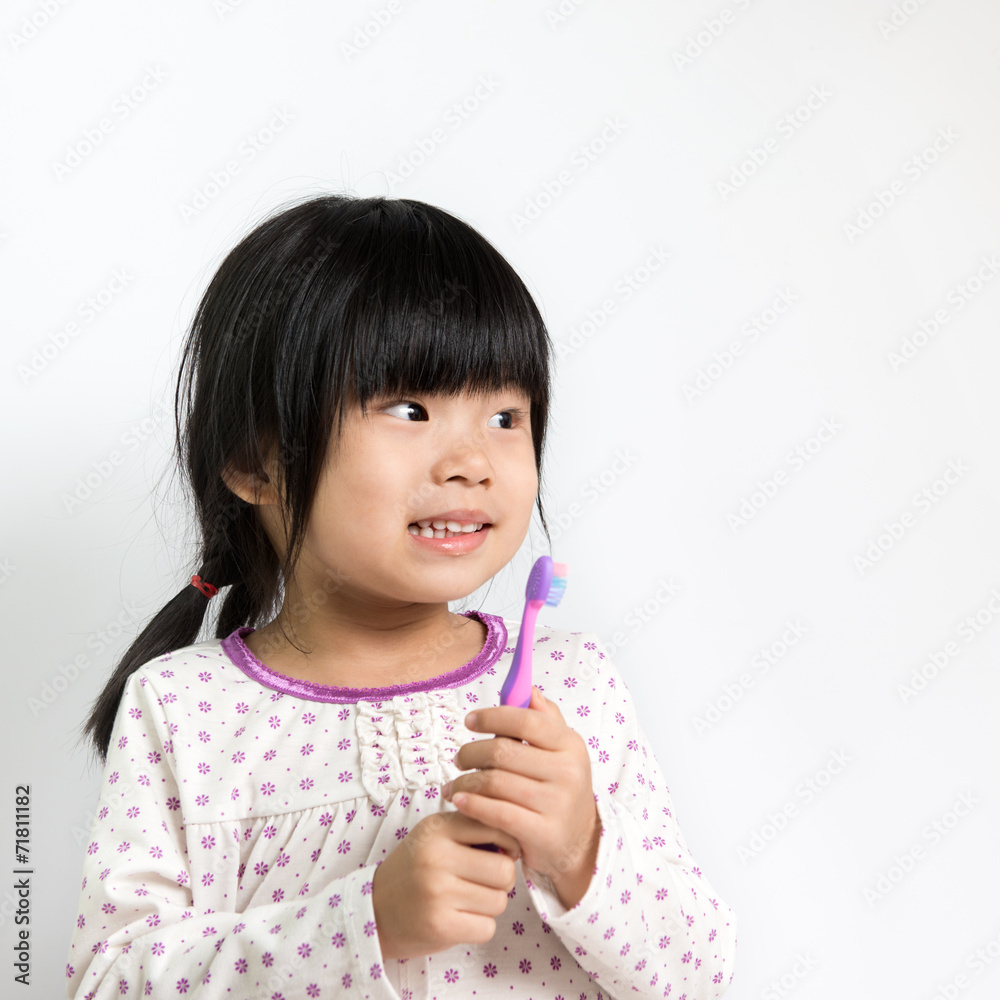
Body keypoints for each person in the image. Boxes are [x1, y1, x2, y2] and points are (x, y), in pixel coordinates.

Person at [65, 193, 737, 999]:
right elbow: (108, 985)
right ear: (254, 460)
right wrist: (366, 924)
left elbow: (698, 975)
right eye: (410, 409)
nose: (472, 462)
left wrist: (580, 851)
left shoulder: (574, 689)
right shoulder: (183, 710)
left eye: (505, 416)